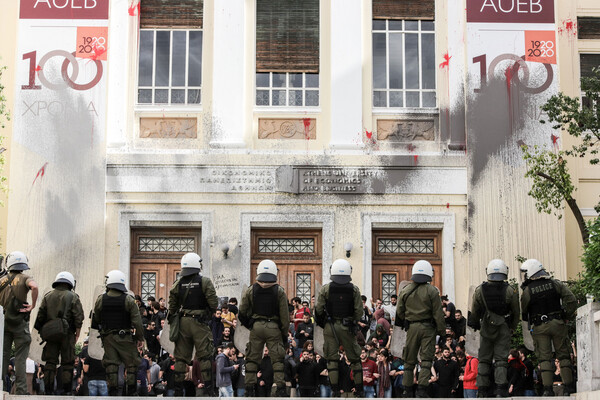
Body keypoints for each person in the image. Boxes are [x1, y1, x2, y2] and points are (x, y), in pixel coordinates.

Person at [520, 258, 577, 396]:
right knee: (563, 355)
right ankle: (569, 387)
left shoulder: (528, 290)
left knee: (544, 358)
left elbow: (524, 310)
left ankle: (547, 390)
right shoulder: (555, 284)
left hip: (540, 326)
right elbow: (571, 300)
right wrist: (566, 315)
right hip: (558, 323)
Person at [168, 252, 219, 396]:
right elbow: (214, 303)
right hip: (199, 323)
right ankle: (209, 390)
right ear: (198, 265)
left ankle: (178, 391)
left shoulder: (177, 283)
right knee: (205, 357)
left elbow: (172, 307)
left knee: (180, 358)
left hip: (183, 322)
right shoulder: (205, 282)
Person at [467, 259, 520, 398]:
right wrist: (512, 328)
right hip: (503, 327)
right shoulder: (510, 290)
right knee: (501, 360)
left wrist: (475, 325)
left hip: (486, 327)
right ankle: (501, 389)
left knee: (484, 359)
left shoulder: (480, 290)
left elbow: (475, 312)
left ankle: (482, 390)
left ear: (488, 272)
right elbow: (516, 312)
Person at [239, 259, 290, 397]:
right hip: (273, 327)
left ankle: (249, 389)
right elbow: (285, 316)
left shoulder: (251, 289)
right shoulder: (279, 291)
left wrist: (250, 324)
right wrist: (284, 333)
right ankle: (280, 388)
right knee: (277, 359)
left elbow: (241, 311)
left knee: (252, 358)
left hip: (256, 326)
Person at [395, 260, 445, 398]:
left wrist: (407, 319)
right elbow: (438, 314)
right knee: (426, 360)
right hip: (428, 328)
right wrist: (442, 332)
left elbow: (399, 311)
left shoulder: (406, 290)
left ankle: (407, 390)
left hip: (411, 327)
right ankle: (422, 390)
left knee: (409, 360)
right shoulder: (432, 291)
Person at [315, 259, 364, 397]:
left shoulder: (326, 289)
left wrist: (321, 321)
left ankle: (335, 390)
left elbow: (318, 308)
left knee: (332, 359)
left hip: (330, 326)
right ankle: (360, 390)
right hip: (347, 326)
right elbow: (359, 311)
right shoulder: (354, 289)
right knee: (354, 359)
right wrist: (353, 322)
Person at [91, 269, 144, 396]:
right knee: (132, 363)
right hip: (124, 336)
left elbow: (95, 319)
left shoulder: (100, 299)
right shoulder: (129, 300)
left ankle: (113, 392)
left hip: (108, 337)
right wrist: (139, 338)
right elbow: (137, 322)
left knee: (111, 364)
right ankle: (131, 391)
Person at [34, 271, 84, 395]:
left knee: (50, 363)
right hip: (67, 334)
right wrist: (77, 333)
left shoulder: (47, 296)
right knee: (67, 363)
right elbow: (79, 317)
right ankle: (67, 390)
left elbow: (40, 316)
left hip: (50, 334)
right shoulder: (73, 297)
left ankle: (48, 390)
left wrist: (43, 331)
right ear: (70, 283)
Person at [0, 251, 38, 395]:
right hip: (20, 323)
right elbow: (34, 287)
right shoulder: (25, 278)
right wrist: (32, 305)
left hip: (4, 322)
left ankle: (1, 387)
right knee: (21, 358)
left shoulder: (2, 280)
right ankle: (21, 390)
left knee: (3, 356)